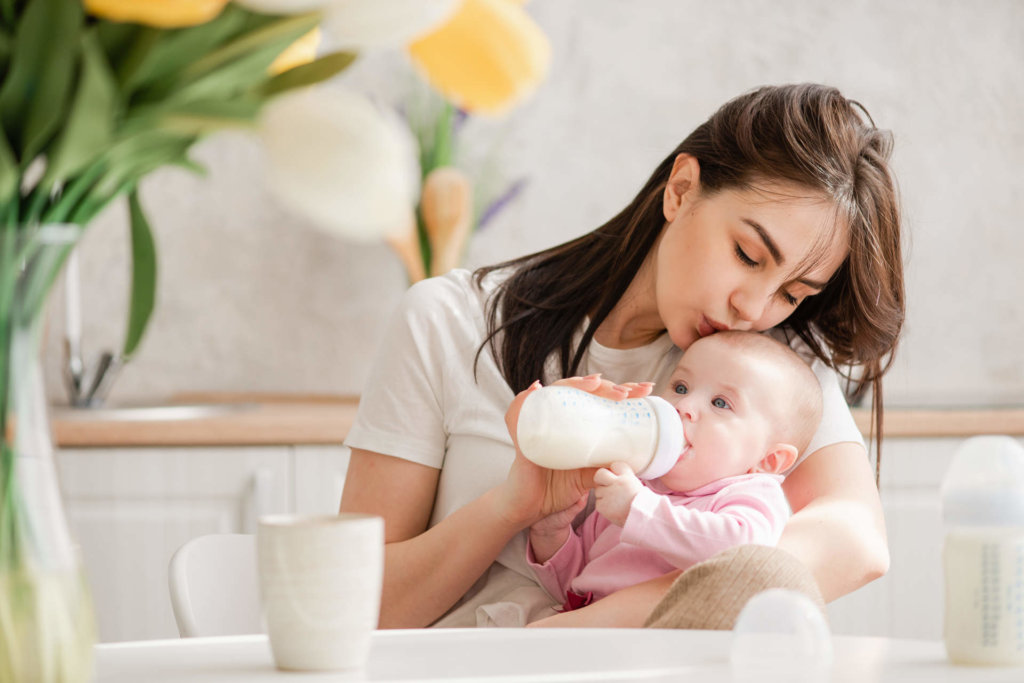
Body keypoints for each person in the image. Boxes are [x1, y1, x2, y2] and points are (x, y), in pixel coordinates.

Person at [340, 83, 904, 629]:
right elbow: (353, 607)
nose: (751, 309)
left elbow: (855, 542)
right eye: (747, 254)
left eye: (792, 294)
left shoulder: (766, 370)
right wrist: (511, 507)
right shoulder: (448, 320)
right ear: (681, 190)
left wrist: (587, 631)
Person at [524, 331, 822, 623]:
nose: (684, 407)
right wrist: (552, 534)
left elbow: (742, 556)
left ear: (768, 460)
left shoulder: (747, 494)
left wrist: (638, 511)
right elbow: (576, 583)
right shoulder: (636, 484)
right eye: (681, 387)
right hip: (579, 623)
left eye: (720, 403)